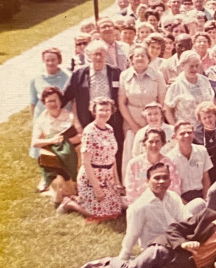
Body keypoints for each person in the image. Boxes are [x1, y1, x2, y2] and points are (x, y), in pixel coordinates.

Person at [81, 195, 216, 268]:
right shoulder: (207, 216)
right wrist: (183, 243)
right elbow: (173, 229)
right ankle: (109, 262)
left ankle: (116, 267)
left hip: (184, 265)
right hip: (166, 248)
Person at [62, 40, 123, 176]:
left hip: (112, 119)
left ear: (106, 54)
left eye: (102, 54)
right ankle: (91, 179)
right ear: (88, 55)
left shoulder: (115, 72)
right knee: (90, 151)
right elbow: (66, 96)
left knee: (114, 149)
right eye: (95, 54)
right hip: (88, 120)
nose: (98, 57)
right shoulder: (79, 74)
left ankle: (115, 179)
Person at [57, 97, 123, 221]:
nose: (104, 113)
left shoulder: (110, 129)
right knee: (99, 214)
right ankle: (69, 203)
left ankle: (79, 199)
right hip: (91, 178)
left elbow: (112, 156)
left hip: (107, 177)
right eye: (101, 110)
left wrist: (116, 182)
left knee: (115, 211)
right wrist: (97, 188)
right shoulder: (89, 131)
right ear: (94, 112)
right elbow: (86, 163)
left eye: (107, 110)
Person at [118, 163, 186, 261]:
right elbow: (132, 234)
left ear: (170, 181)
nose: (161, 181)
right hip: (157, 248)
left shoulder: (173, 197)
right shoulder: (139, 206)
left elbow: (185, 219)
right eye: (157, 178)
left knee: (199, 203)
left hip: (176, 241)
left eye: (165, 177)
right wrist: (123, 256)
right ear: (147, 181)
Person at [118, 44, 167, 174]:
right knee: (131, 153)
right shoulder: (124, 76)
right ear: (131, 59)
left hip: (153, 120)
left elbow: (162, 101)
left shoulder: (157, 75)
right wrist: (133, 126)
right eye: (136, 56)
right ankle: (129, 184)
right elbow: (121, 103)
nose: (140, 58)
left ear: (148, 58)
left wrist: (155, 122)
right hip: (131, 120)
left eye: (143, 55)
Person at [30, 86, 80, 199]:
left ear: (60, 101)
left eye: (55, 100)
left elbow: (81, 136)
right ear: (44, 103)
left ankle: (72, 187)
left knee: (69, 189)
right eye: (49, 101)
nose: (53, 103)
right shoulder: (42, 120)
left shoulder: (70, 116)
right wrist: (51, 141)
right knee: (59, 185)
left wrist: (66, 142)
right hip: (53, 156)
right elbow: (35, 142)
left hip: (72, 153)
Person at [29, 47, 71, 166]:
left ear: (59, 60)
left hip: (62, 117)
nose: (50, 63)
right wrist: (35, 121)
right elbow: (32, 102)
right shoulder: (36, 78)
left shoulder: (68, 76)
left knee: (62, 148)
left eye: (53, 60)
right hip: (43, 117)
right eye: (47, 60)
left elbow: (73, 99)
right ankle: (46, 177)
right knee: (43, 149)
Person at [164, 50, 215, 140]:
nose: (194, 69)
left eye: (197, 66)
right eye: (191, 66)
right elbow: (167, 110)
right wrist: (176, 128)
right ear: (183, 66)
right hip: (186, 132)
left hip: (206, 129)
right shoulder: (176, 85)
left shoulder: (204, 81)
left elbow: (211, 102)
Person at [123, 128, 181, 205]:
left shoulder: (169, 163)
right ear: (144, 143)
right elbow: (130, 191)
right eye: (150, 142)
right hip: (141, 205)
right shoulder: (134, 164)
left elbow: (175, 189)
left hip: (164, 205)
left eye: (157, 142)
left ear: (162, 143)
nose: (154, 145)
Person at [167, 120, 214, 203]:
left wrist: (206, 200)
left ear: (194, 134)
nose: (186, 135)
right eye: (182, 133)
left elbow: (206, 179)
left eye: (189, 132)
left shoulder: (202, 151)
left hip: (201, 196)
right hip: (181, 199)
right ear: (175, 136)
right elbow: (171, 189)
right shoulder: (169, 158)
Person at [196, 101, 216, 183]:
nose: (208, 120)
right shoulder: (196, 135)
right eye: (204, 118)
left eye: (210, 116)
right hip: (204, 170)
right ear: (200, 120)